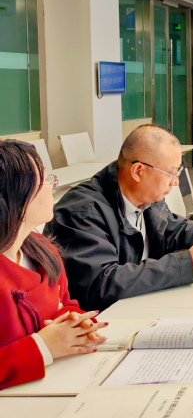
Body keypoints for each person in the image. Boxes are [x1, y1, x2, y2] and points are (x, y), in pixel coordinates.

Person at [46, 125, 193, 312]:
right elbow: (102, 284)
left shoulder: (146, 196)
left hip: (144, 305)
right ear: (138, 171)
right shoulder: (82, 211)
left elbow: (174, 230)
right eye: (171, 173)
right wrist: (186, 263)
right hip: (109, 321)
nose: (176, 182)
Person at [1, 140, 108, 390]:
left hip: (56, 380)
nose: (52, 187)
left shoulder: (42, 248)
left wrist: (76, 324)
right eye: (45, 181)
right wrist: (42, 347)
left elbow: (62, 304)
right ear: (17, 197)